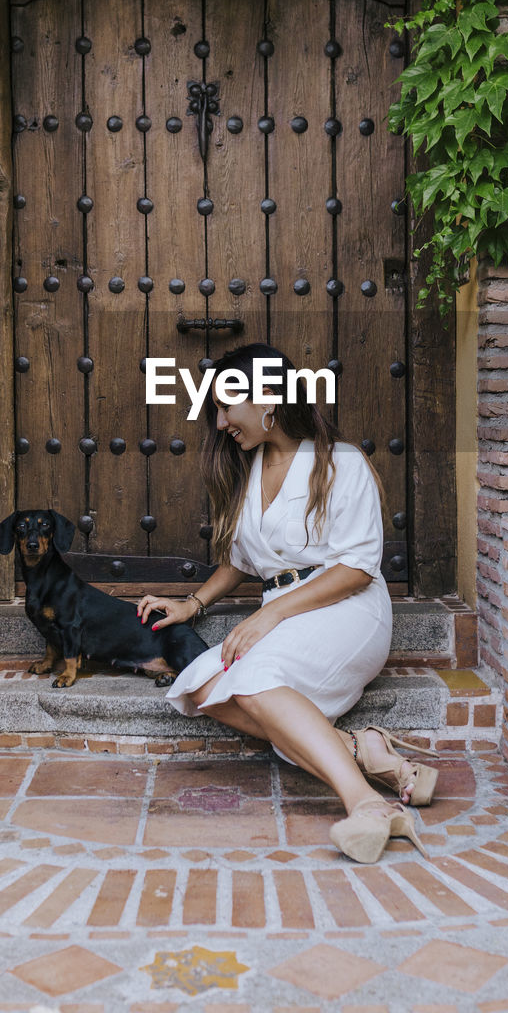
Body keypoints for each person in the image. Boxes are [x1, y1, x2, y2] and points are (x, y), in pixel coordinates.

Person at [137, 343, 437, 864]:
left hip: (349, 608)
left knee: (252, 679)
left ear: (268, 397)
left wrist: (269, 613)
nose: (221, 421)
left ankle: (367, 804)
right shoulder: (248, 471)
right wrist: (193, 603)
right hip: (284, 616)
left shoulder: (338, 461)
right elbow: (241, 562)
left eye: (227, 406)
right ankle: (361, 748)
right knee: (203, 683)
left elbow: (357, 567)